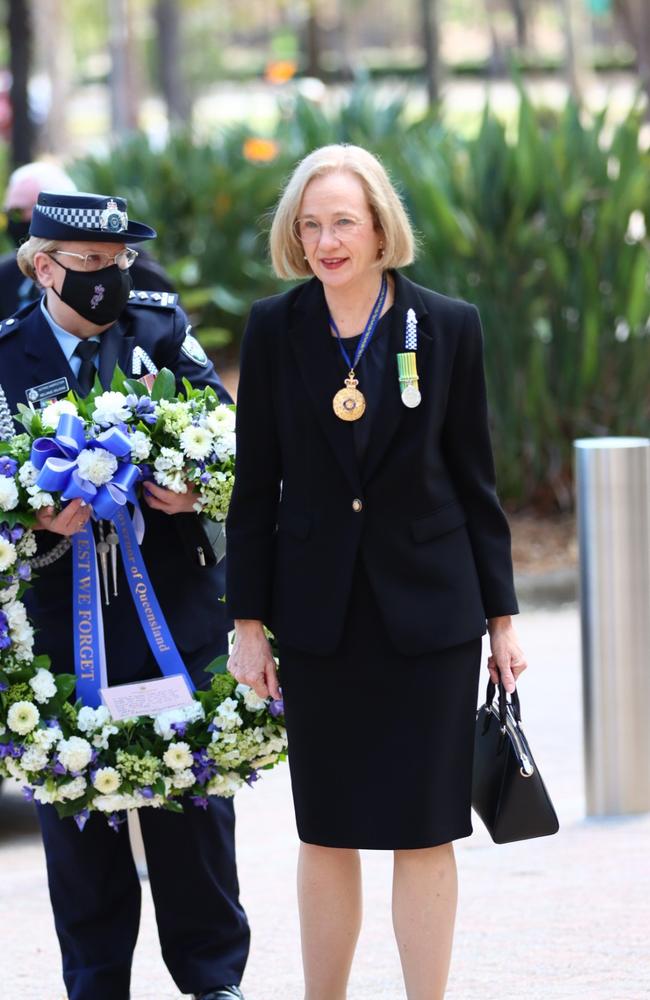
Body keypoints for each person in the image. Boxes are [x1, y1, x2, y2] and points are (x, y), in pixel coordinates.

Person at [225, 144, 528, 1000]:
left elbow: (476, 482)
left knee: (424, 832)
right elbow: (256, 491)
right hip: (319, 619)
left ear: (379, 226)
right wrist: (248, 624)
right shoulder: (276, 329)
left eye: (343, 222)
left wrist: (502, 620)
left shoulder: (448, 325)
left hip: (431, 617)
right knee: (326, 831)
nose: (327, 241)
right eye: (310, 224)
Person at [0, 190, 248, 1000]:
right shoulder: (5, 357)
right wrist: (30, 516)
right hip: (55, 628)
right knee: (78, 811)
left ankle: (214, 980)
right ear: (44, 267)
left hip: (173, 609)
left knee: (194, 802)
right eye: (91, 266)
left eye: (120, 263)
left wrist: (196, 483)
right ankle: (97, 984)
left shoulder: (159, 330)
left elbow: (225, 429)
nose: (109, 279)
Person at [0, 161, 175, 318]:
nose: (12, 221)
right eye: (92, 258)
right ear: (42, 267)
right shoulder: (6, 273)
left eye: (17, 212)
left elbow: (163, 322)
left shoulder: (130, 264)